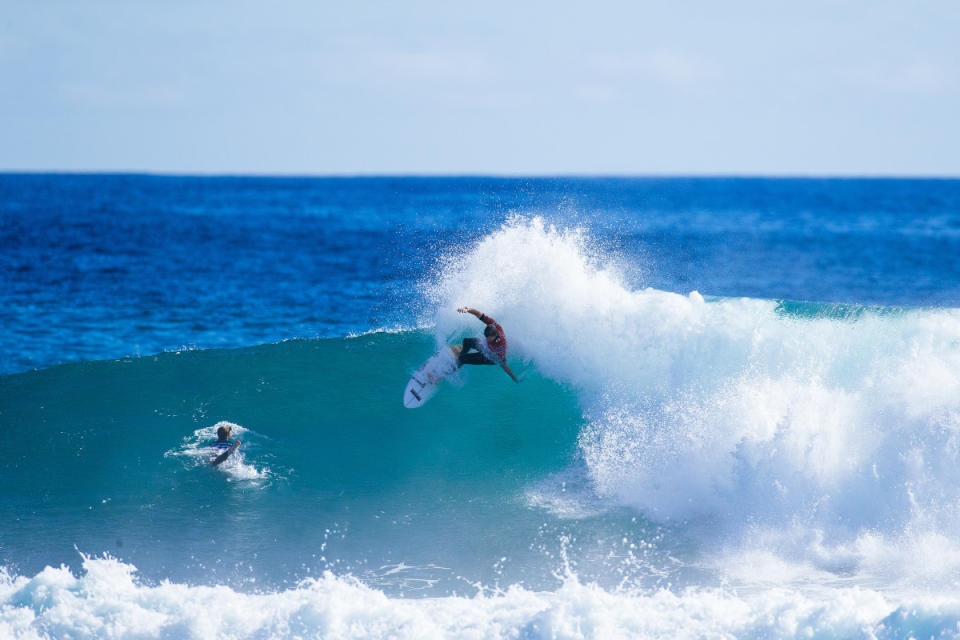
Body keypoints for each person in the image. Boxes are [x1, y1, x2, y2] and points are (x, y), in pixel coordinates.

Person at [456, 307, 519, 383]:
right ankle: (460, 356)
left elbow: (502, 363)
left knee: (462, 359)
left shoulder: (500, 346)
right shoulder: (494, 326)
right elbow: (478, 314)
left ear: (495, 335)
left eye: (489, 339)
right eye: (486, 337)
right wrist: (467, 309)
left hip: (491, 357)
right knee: (466, 341)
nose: (487, 340)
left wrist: (512, 377)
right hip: (485, 347)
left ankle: (454, 365)